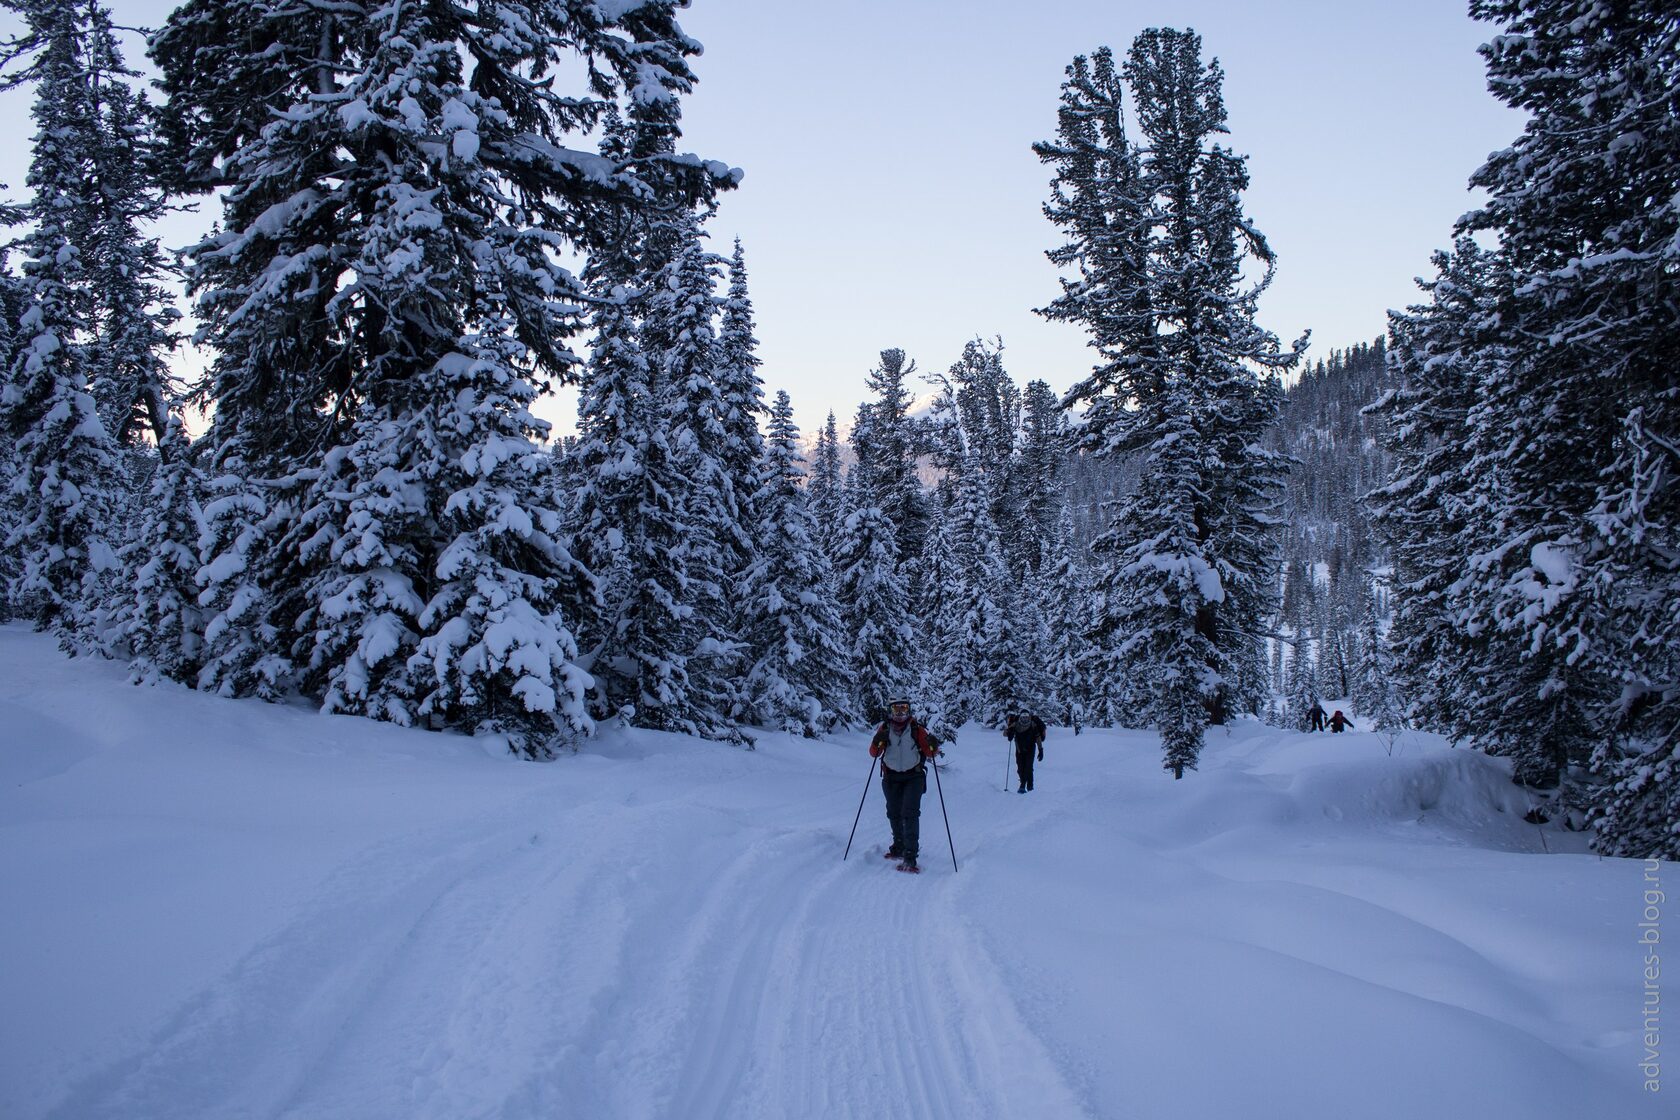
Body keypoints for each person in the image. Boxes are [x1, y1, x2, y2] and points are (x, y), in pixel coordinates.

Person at [869, 697, 939, 873]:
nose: (900, 713)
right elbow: (874, 753)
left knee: (910, 813)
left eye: (903, 708)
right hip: (891, 777)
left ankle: (910, 856)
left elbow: (931, 752)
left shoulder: (917, 729)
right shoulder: (884, 728)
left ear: (909, 710)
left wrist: (933, 745)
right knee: (893, 812)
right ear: (891, 711)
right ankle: (898, 847)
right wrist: (878, 739)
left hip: (913, 777)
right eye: (896, 709)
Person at [1004, 710, 1046, 793]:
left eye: (1026, 717)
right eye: (1023, 717)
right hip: (1019, 749)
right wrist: (1010, 732)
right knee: (1020, 768)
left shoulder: (1033, 724)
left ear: (1029, 717)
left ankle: (1025, 786)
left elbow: (1038, 738)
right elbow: (1005, 733)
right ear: (1020, 717)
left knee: (1028, 767)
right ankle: (1027, 785)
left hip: (1031, 749)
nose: (1025, 719)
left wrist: (1040, 750)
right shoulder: (1016, 724)